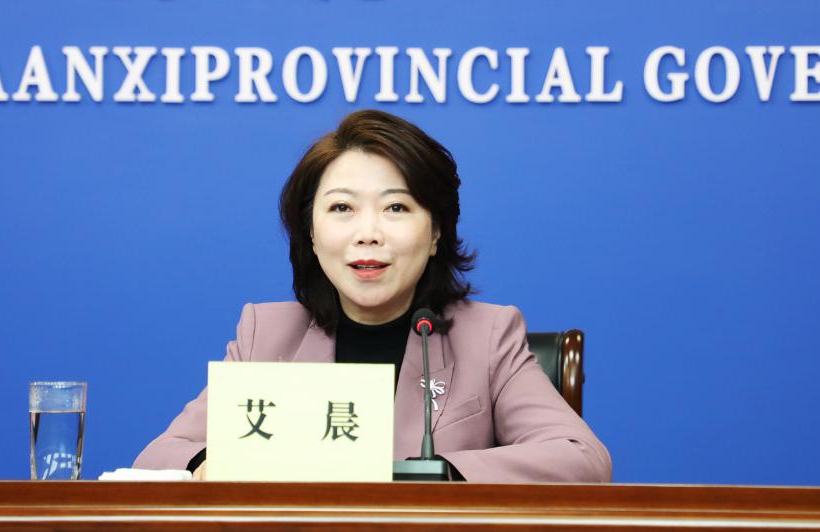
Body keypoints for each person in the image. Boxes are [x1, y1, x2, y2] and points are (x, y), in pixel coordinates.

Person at [134, 110, 612, 483]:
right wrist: (206, 464)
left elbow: (581, 458)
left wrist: (437, 476)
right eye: (342, 207)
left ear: (435, 232)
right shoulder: (267, 335)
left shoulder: (487, 337)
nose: (368, 233)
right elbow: (159, 456)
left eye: (396, 207)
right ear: (311, 232)